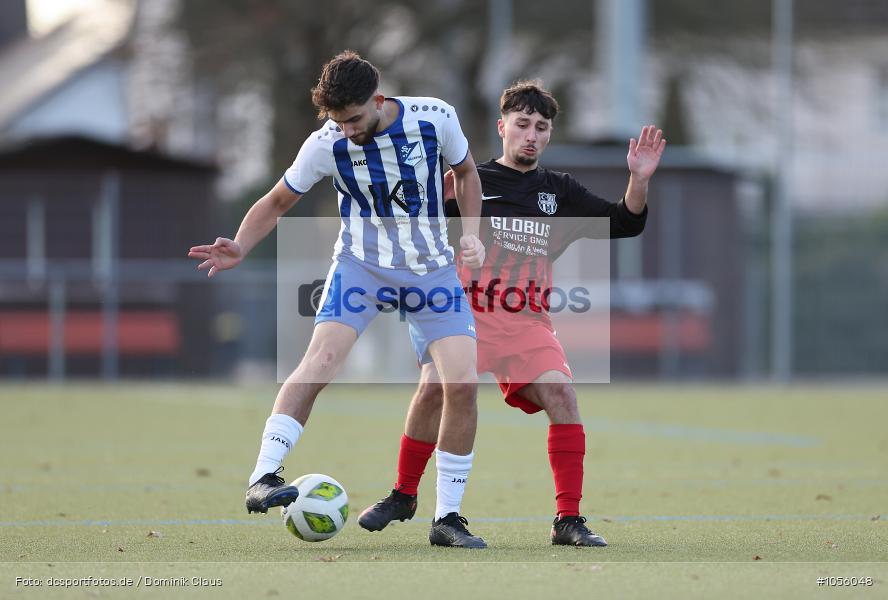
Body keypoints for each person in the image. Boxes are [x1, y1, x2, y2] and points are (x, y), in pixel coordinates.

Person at [188, 51, 489, 548]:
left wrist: (472, 234)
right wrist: (241, 245)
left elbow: (468, 173)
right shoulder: (325, 143)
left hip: (431, 269)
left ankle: (448, 518)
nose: (346, 131)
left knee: (461, 384)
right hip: (360, 266)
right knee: (321, 360)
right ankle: (263, 477)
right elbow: (277, 200)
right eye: (337, 121)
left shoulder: (435, 117)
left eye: (353, 119)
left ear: (378, 99)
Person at [357, 80, 666, 546]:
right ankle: (403, 493)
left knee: (563, 397)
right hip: (465, 314)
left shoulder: (559, 192)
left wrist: (639, 179)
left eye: (542, 128)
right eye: (522, 124)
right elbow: (407, 225)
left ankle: (568, 521)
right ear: (502, 127)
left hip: (528, 321)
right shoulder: (466, 182)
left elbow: (625, 221)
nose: (532, 135)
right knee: (435, 390)